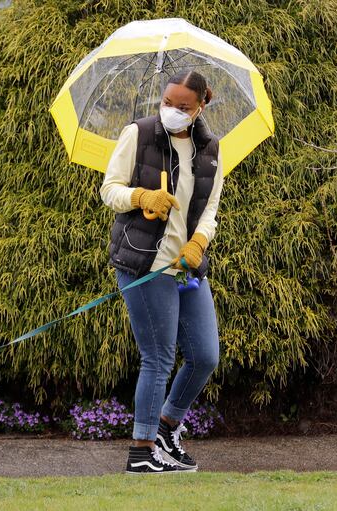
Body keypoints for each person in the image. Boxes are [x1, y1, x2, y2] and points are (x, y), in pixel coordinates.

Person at [100, 70, 223, 474]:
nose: (171, 110)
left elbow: (210, 210)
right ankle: (141, 451)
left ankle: (167, 428)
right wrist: (141, 197)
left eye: (182, 106)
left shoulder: (210, 150)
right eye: (167, 102)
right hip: (145, 265)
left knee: (205, 356)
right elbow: (109, 189)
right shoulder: (138, 134)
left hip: (186, 267)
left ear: (200, 106)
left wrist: (199, 242)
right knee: (158, 358)